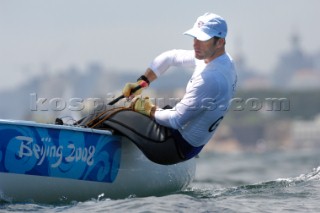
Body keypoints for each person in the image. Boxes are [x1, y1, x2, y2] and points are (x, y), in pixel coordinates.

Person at [122, 12, 237, 161]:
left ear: (220, 42)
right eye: (195, 37)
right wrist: (142, 82)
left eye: (202, 39)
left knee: (125, 116)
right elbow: (172, 57)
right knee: (154, 110)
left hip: (176, 148)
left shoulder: (211, 77)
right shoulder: (220, 59)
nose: (195, 44)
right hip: (184, 139)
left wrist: (148, 109)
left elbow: (175, 120)